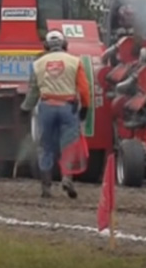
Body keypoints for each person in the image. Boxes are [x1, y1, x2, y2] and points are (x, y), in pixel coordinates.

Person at [21, 29, 92, 199]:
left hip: (46, 107)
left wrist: (24, 108)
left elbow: (33, 92)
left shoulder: (38, 64)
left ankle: (46, 187)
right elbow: (84, 89)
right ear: (64, 45)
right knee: (68, 145)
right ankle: (67, 178)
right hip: (68, 108)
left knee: (46, 147)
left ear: (46, 45)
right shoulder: (75, 62)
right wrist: (85, 108)